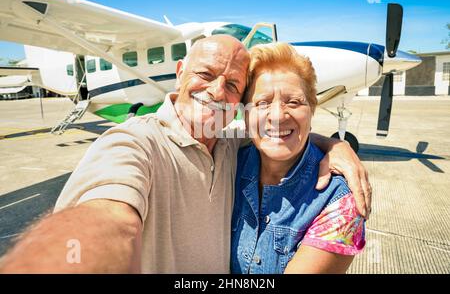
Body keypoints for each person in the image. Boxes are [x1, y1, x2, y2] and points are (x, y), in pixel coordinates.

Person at [0, 35, 370, 273]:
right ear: (179, 72)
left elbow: (275, 130)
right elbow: (110, 216)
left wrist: (335, 145)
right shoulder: (133, 142)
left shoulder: (231, 148)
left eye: (231, 85)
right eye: (205, 74)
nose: (215, 91)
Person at [231, 42, 365, 274]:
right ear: (246, 115)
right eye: (262, 103)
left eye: (293, 102)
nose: (278, 116)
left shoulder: (340, 203)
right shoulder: (227, 162)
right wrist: (334, 143)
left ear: (311, 110)